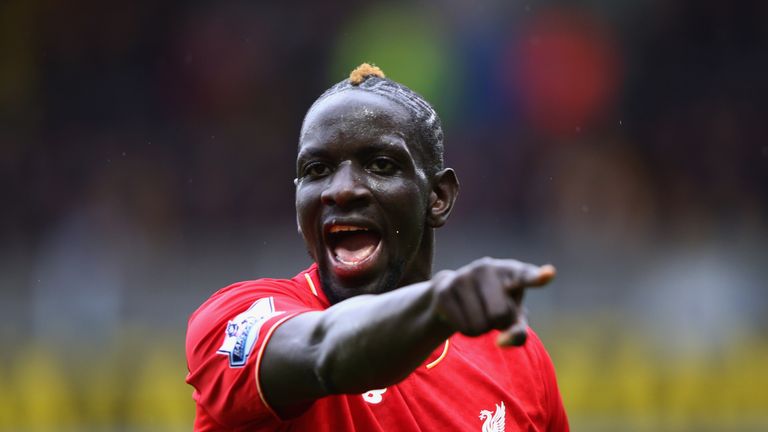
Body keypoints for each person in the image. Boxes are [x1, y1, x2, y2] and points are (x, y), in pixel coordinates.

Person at [186, 63, 569, 431]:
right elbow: (324, 352)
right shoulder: (231, 319)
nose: (342, 190)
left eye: (381, 165)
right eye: (317, 170)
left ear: (438, 197)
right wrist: (438, 306)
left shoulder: (517, 358)